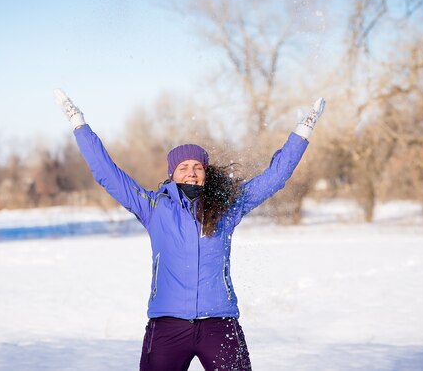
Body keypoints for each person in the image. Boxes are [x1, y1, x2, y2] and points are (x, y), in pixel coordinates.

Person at [54, 89, 325, 371]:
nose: (192, 172)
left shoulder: (227, 207)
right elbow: (107, 173)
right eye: (184, 167)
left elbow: (274, 177)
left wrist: (303, 131)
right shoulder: (154, 208)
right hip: (168, 325)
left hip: (219, 323)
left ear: (206, 172)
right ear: (172, 173)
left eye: (198, 166)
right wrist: (78, 123)